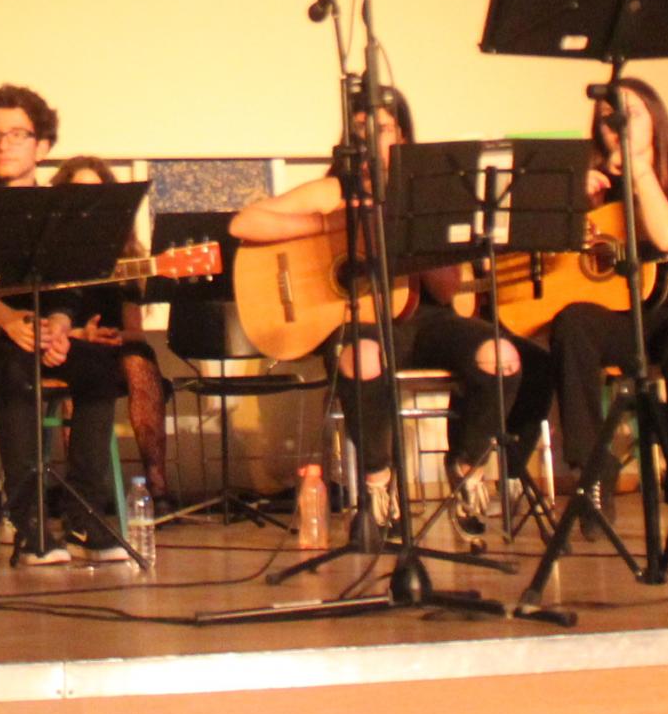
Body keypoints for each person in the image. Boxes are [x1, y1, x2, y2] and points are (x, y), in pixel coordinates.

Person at [231, 85, 547, 541]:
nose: (368, 140)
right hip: (358, 326)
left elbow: (446, 289)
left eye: (380, 129)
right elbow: (244, 223)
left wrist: (419, 231)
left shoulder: (426, 195)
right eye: (360, 130)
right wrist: (332, 222)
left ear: (402, 136)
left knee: (503, 356)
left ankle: (466, 466)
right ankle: (380, 483)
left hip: (427, 322)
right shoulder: (334, 190)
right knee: (362, 358)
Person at [0, 84, 131, 564]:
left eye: (17, 134)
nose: (4, 144)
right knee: (17, 364)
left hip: (31, 335)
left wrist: (57, 325)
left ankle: (83, 515)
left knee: (100, 367)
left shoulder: (55, 204)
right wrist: (8, 320)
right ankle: (28, 522)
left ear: (42, 146)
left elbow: (68, 286)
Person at [544, 77, 668, 530]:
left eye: (629, 115)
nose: (619, 126)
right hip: (628, 312)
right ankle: (593, 470)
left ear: (655, 118)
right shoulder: (596, 179)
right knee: (573, 324)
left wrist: (640, 173)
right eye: (608, 119)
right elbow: (558, 264)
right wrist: (575, 207)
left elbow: (667, 235)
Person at [49, 156, 172, 508]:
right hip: (67, 345)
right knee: (80, 367)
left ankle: (156, 485)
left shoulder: (125, 252)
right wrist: (78, 334)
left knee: (138, 361)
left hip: (116, 345)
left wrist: (111, 336)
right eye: (79, 192)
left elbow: (135, 332)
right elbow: (39, 317)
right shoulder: (50, 249)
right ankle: (85, 491)